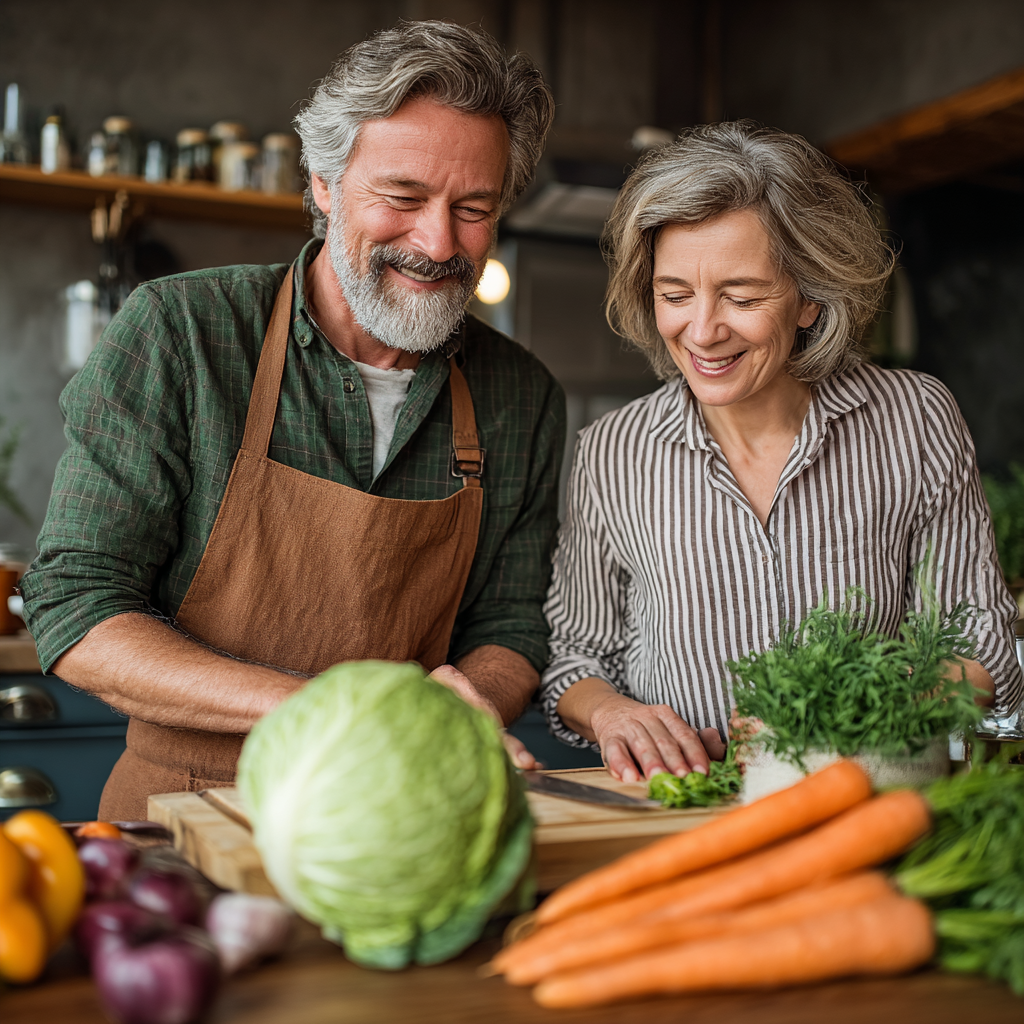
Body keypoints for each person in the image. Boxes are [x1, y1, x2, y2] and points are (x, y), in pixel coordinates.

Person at [21, 21, 564, 819]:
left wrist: (473, 697)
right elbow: (78, 609)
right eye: (403, 197)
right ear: (322, 183)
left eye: (473, 208)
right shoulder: (182, 333)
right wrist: (334, 711)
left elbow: (511, 625)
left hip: (400, 815)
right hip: (182, 815)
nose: (439, 240)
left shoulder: (520, 393)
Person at [540, 121, 1023, 783]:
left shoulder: (913, 418)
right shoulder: (612, 453)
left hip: (866, 801)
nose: (703, 331)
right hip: (683, 812)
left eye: (741, 296)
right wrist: (611, 714)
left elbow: (981, 651)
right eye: (674, 295)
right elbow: (575, 660)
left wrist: (837, 720)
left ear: (808, 297)